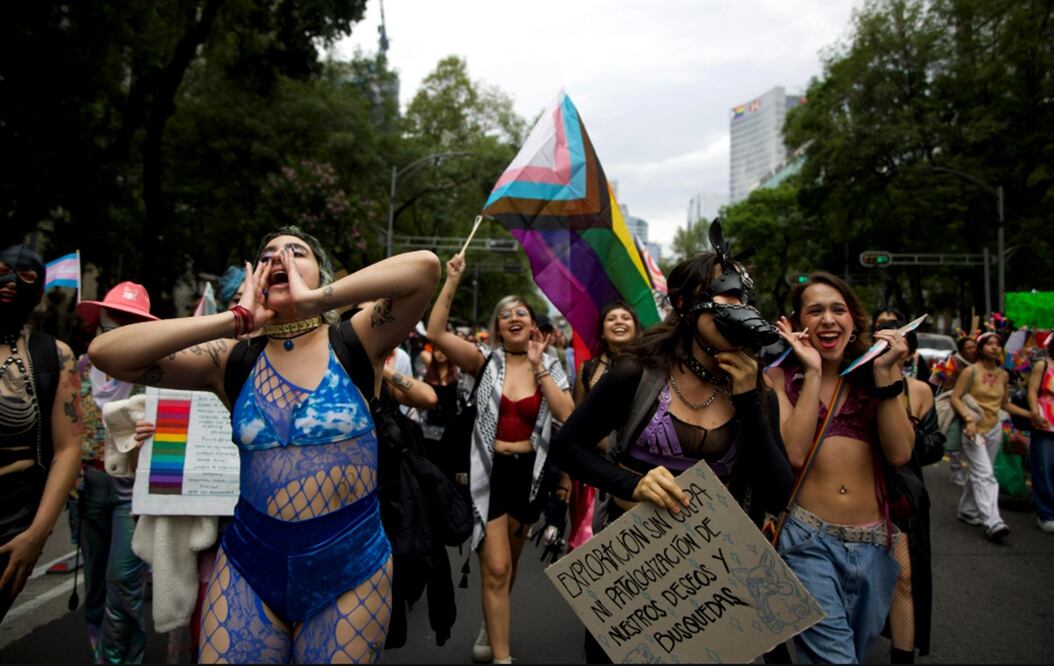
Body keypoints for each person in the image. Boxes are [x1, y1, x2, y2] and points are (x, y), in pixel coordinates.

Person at [88, 226, 440, 663]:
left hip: (350, 567)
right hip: (248, 565)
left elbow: (424, 267)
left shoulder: (358, 339)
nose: (281, 259)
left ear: (320, 274)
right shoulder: (230, 358)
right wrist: (233, 320)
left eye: (297, 253)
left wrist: (316, 301)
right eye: (269, 254)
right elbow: (106, 353)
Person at [552, 243, 792, 664]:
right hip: (632, 567)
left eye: (743, 297)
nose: (737, 307)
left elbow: (777, 493)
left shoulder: (756, 389)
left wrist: (751, 401)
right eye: (725, 294)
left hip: (713, 576)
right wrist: (632, 483)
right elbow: (567, 447)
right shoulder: (637, 372)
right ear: (685, 305)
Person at [426, 253, 573, 665]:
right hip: (487, 474)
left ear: (532, 325)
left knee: (506, 568)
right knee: (494, 568)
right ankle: (503, 659)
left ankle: (492, 625)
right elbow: (435, 331)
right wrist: (452, 278)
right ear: (497, 327)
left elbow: (567, 416)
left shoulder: (551, 365)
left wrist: (542, 368)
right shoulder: (484, 361)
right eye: (505, 314)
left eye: (521, 312)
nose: (513, 317)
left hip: (529, 476)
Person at [767, 271, 915, 664]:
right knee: (835, 659)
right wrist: (813, 371)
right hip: (806, 541)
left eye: (838, 309)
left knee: (855, 651)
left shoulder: (878, 371)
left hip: (874, 546)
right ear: (800, 324)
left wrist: (885, 376)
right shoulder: (780, 377)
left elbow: (900, 453)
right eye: (815, 311)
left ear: (854, 321)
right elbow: (794, 453)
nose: (828, 319)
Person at [74, 281, 160, 662]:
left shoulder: (157, 375)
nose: (117, 331)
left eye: (130, 324)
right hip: (86, 489)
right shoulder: (78, 368)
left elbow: (182, 431)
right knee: (94, 584)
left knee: (124, 583)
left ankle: (120, 660)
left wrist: (159, 433)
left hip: (130, 491)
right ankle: (100, 650)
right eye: (111, 323)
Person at [0, 245, 81, 623]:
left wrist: (37, 533)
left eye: (26, 276)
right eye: (1, 269)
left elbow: (69, 448)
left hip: (12, 514)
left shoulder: (54, 355)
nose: (10, 281)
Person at [874, 320, 944, 663]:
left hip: (906, 496)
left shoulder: (919, 391)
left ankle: (902, 656)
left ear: (909, 352)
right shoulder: (858, 386)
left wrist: (904, 433)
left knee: (905, 577)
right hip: (867, 493)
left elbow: (933, 448)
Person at [950, 331, 1032, 542]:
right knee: (985, 473)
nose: (995, 347)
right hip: (973, 429)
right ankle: (993, 521)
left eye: (998, 344)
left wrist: (1032, 415)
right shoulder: (970, 371)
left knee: (980, 472)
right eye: (990, 344)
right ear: (980, 348)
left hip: (994, 428)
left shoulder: (1003, 375)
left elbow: (1004, 404)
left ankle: (968, 509)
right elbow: (955, 398)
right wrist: (968, 419)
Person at [931, 333, 978, 485]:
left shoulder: (981, 363)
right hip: (955, 406)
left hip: (975, 406)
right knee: (954, 440)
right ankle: (956, 470)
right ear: (961, 350)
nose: (972, 350)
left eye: (974, 347)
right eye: (968, 348)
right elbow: (939, 381)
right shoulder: (954, 362)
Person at [1027, 333, 1054, 533]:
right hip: (1045, 421)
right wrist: (1035, 414)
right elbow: (1032, 391)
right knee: (1044, 467)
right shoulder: (1043, 364)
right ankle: (1046, 513)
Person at [873, 308, 930, 384]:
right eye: (885, 348)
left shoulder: (920, 389)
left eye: (899, 352)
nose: (891, 356)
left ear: (910, 354)